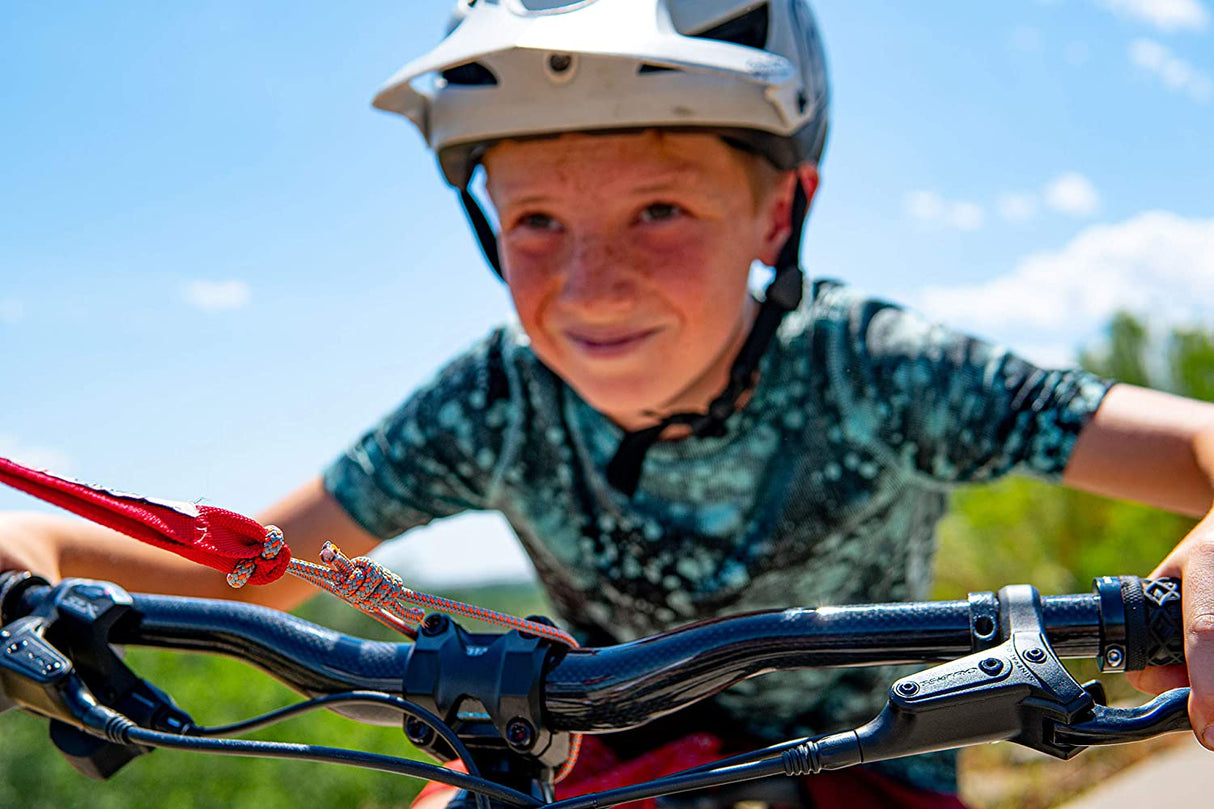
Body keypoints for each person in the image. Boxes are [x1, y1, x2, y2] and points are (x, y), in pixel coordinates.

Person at [2, 1, 1212, 806]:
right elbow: (253, 568)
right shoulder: (494, 398)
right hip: (590, 760)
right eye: (535, 220)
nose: (589, 285)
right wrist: (35, 546)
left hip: (870, 764)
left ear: (778, 212)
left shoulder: (876, 365)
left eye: (659, 210)